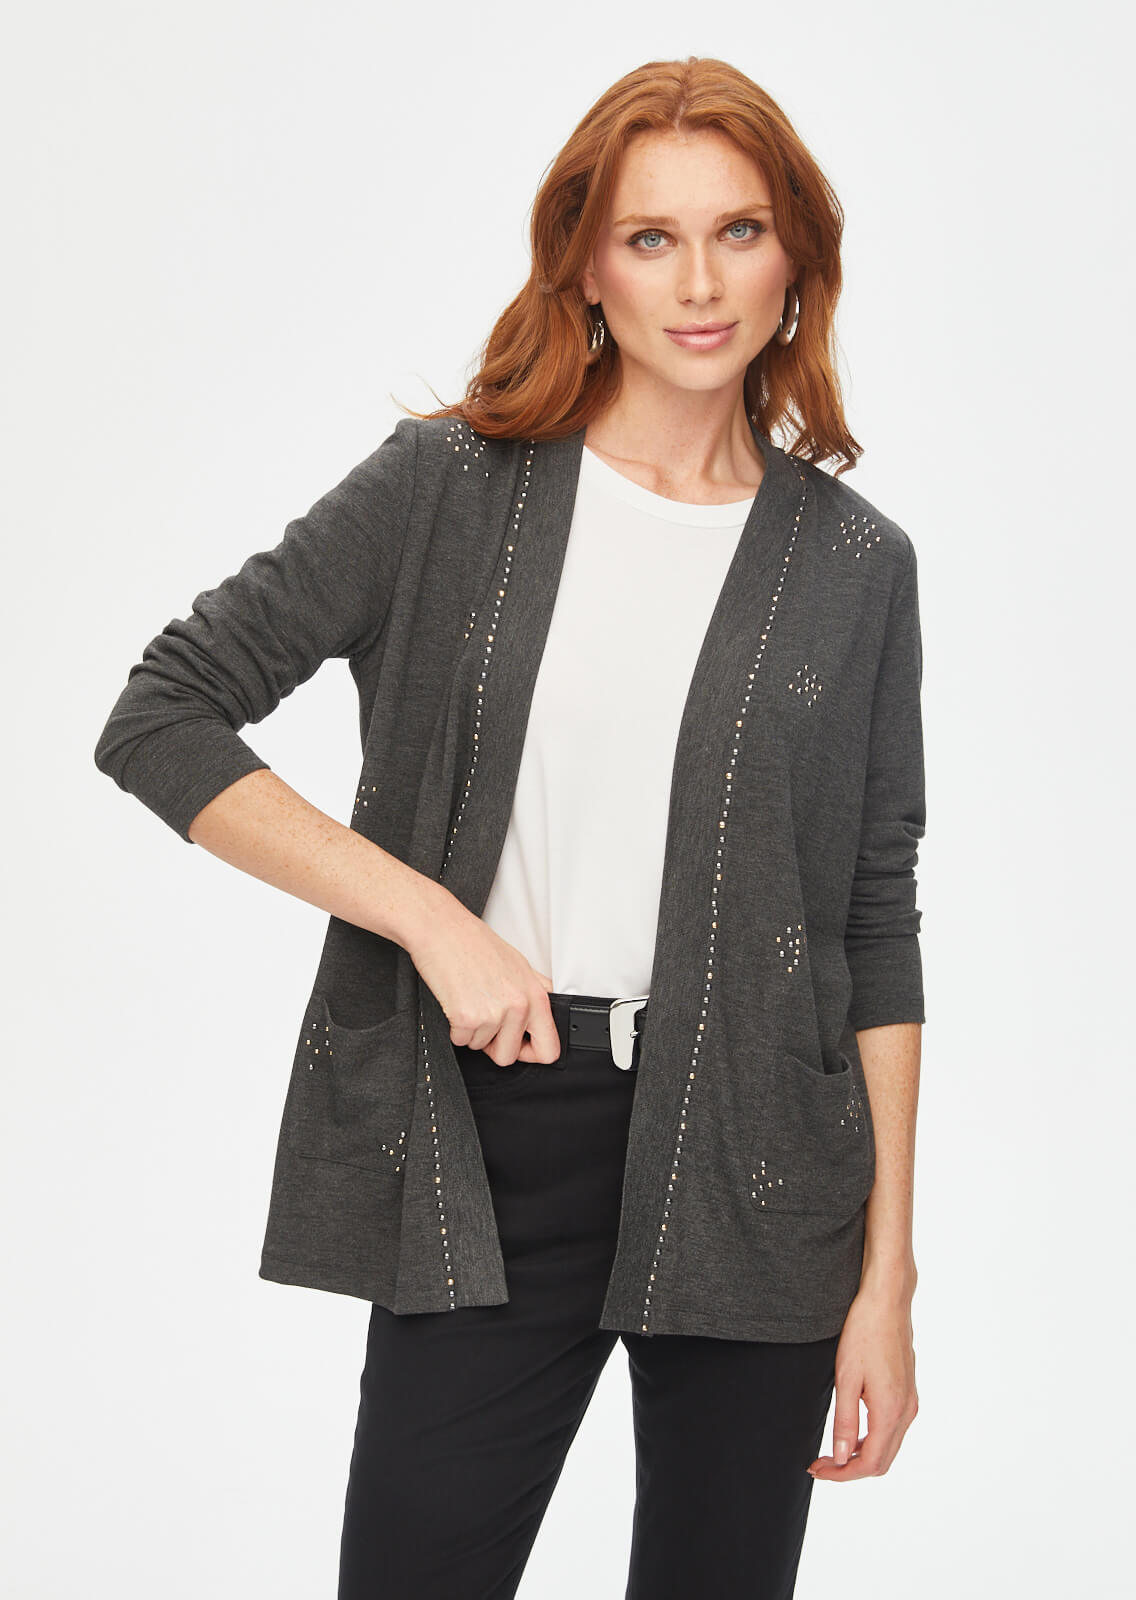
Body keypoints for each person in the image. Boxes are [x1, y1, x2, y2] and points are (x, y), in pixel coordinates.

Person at [94, 54, 925, 1600]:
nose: (699, 284)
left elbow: (873, 918)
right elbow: (163, 714)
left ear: (797, 258)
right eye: (651, 237)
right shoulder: (449, 488)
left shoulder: (856, 566)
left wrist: (889, 1278)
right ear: (587, 265)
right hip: (497, 1136)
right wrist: (433, 921)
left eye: (739, 232)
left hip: (763, 1163)